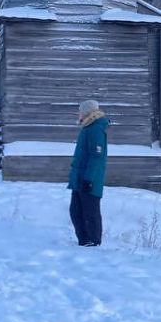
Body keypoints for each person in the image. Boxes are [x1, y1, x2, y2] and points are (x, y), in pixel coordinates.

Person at [68, 99, 108, 247]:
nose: (78, 114)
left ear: (87, 113)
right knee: (76, 211)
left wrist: (89, 179)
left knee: (90, 212)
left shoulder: (95, 129)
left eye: (80, 111)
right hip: (79, 178)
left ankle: (93, 241)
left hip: (88, 180)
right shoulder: (88, 128)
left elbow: (96, 156)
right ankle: (84, 241)